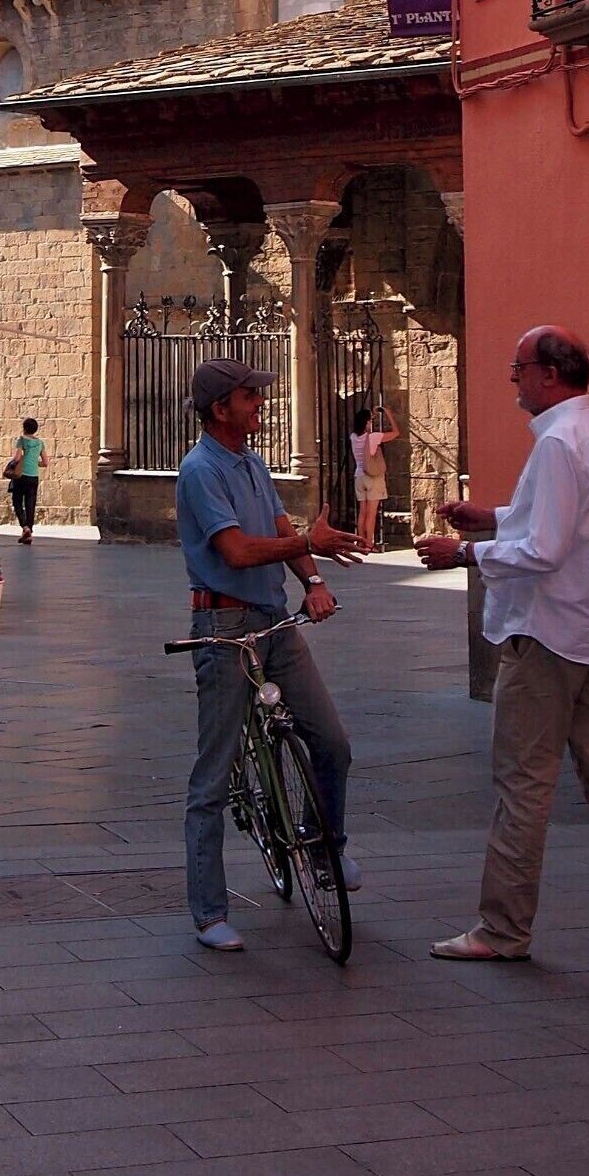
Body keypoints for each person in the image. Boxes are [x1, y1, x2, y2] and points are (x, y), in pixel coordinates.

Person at [419, 326, 589, 963]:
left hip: (545, 637)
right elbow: (557, 519)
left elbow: (544, 548)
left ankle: (502, 928)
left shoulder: (560, 443)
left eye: (518, 369)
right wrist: (491, 516)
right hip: (587, 633)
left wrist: (466, 551)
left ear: (549, 373)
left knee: (523, 783)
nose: (513, 380)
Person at [175, 357, 363, 952]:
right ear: (219, 409)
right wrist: (308, 541)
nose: (258, 404)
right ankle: (209, 913)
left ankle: (323, 844)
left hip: (274, 621)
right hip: (225, 623)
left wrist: (311, 579)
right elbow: (233, 550)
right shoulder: (199, 470)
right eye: (247, 397)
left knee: (331, 742)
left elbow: (281, 527)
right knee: (212, 773)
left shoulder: (253, 462)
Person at [348, 399, 400, 551]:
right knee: (372, 513)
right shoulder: (373, 437)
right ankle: (369, 544)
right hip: (372, 477)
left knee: (362, 511)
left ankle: (360, 541)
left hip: (359, 475)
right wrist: (388, 414)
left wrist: (373, 415)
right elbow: (396, 433)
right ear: (366, 423)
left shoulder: (353, 437)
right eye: (370, 421)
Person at [9, 418, 46, 541]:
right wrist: (35, 463)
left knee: (17, 501)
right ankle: (29, 532)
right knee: (30, 504)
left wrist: (12, 465)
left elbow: (17, 457)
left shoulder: (22, 440)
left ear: (24, 428)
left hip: (21, 476)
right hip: (33, 476)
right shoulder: (40, 443)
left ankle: (25, 527)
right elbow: (45, 462)